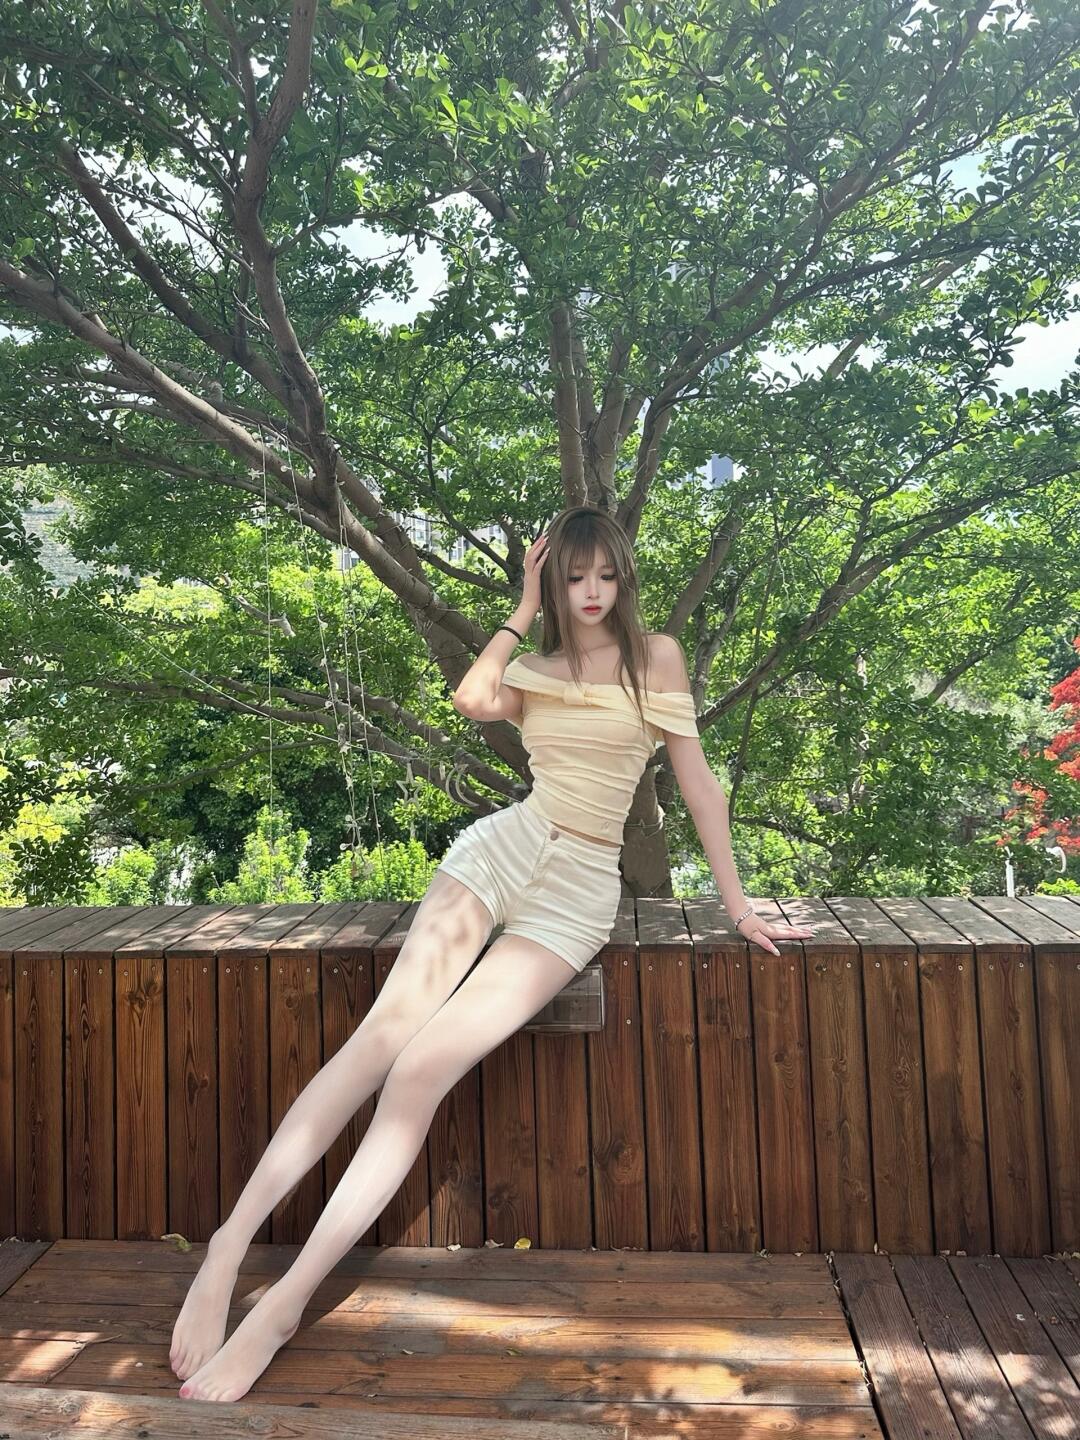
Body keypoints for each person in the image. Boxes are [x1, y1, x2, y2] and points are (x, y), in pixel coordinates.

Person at [169, 504, 814, 1402]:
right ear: (554, 582)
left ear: (625, 578)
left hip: (577, 892)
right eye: (574, 577)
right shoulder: (535, 669)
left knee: (419, 1071)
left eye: (605, 576)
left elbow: (701, 786)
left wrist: (737, 907)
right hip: (500, 851)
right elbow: (473, 699)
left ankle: (282, 1306)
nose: (592, 593)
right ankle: (225, 1252)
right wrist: (520, 607)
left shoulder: (657, 658)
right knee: (379, 1041)